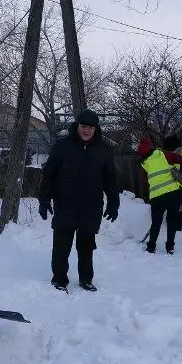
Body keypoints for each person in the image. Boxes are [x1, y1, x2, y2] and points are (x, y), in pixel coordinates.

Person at [38, 109, 119, 292]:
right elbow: (49, 173)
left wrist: (114, 202)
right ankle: (59, 280)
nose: (86, 131)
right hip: (65, 205)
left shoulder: (104, 149)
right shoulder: (62, 146)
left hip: (91, 207)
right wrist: (44, 199)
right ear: (78, 126)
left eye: (90, 127)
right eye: (84, 126)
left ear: (95, 128)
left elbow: (110, 178)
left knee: (86, 248)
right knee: (61, 248)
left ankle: (86, 280)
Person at [137, 136, 182, 254]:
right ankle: (170, 247)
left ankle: (151, 247)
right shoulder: (163, 154)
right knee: (172, 221)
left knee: (156, 222)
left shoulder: (143, 163)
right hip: (173, 193)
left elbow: (145, 181)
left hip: (156, 196)